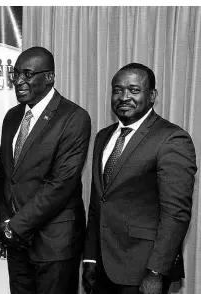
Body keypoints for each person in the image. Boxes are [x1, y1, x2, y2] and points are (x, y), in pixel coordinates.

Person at [82, 63, 197, 294]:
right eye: (117, 90)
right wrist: (91, 259)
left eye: (134, 90)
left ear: (152, 95)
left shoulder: (172, 139)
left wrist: (156, 273)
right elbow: (98, 203)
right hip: (103, 267)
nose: (124, 97)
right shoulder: (103, 136)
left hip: (143, 269)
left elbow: (176, 214)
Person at [0, 46, 91, 294]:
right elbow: (4, 174)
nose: (18, 81)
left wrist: (16, 225)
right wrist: (5, 221)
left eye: (27, 74)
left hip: (54, 242)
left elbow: (61, 184)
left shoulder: (74, 117)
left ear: (49, 77)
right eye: (15, 74)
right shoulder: (12, 116)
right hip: (16, 241)